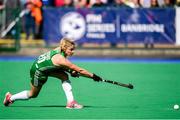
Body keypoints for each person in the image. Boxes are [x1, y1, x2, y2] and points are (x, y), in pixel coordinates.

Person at [3, 38, 102, 109]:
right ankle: (10, 98)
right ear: (64, 48)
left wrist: (71, 71)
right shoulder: (60, 58)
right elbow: (79, 70)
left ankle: (71, 102)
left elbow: (61, 66)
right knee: (33, 94)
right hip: (38, 71)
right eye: (71, 49)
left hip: (46, 68)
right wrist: (93, 76)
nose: (73, 52)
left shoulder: (59, 50)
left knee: (64, 76)